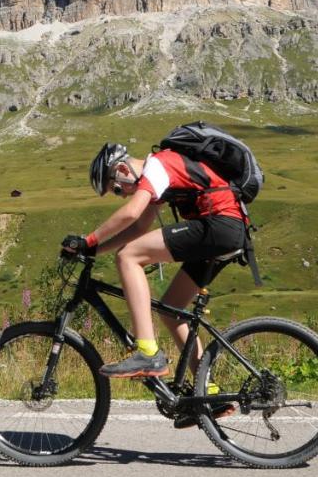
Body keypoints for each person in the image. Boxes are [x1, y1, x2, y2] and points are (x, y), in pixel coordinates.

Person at [63, 142, 250, 384]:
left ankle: (147, 352)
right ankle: (207, 391)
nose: (124, 194)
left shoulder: (157, 165)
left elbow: (131, 213)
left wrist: (87, 239)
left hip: (219, 225)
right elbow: (140, 227)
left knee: (128, 256)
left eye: (117, 189)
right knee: (171, 309)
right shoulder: (158, 177)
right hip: (225, 230)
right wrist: (94, 250)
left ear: (122, 168)